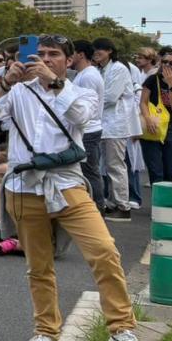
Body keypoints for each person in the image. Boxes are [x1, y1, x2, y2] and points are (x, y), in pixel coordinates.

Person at [0, 33, 149, 341]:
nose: (44, 59)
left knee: (104, 251)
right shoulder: (19, 91)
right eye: (40, 53)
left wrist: (54, 83)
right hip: (25, 186)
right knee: (38, 266)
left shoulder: (81, 89)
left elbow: (82, 116)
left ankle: (122, 330)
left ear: (69, 61)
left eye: (53, 54)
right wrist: (6, 82)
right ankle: (46, 332)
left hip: (67, 183)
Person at [93, 38, 141, 221]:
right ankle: (113, 203)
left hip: (115, 124)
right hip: (105, 124)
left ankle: (123, 206)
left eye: (100, 49)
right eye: (95, 49)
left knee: (115, 165)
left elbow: (111, 97)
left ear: (110, 51)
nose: (96, 52)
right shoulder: (101, 69)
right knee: (107, 166)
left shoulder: (119, 69)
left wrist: (91, 102)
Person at [71, 40, 106, 213]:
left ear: (81, 54)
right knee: (85, 171)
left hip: (89, 130)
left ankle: (97, 209)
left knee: (89, 172)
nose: (68, 56)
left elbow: (86, 107)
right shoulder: (83, 74)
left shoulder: (89, 76)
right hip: (86, 129)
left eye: (71, 52)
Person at [140, 47, 172, 185]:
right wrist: (147, 118)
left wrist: (171, 84)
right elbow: (143, 102)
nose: (167, 65)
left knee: (170, 170)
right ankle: (156, 198)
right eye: (164, 62)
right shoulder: (152, 79)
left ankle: (167, 198)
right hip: (153, 124)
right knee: (155, 171)